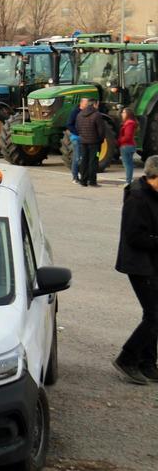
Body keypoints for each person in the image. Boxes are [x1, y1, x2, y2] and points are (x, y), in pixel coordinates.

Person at [114, 155, 158, 385]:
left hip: (151, 262)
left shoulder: (152, 193)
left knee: (154, 315)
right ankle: (127, 358)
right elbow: (134, 236)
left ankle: (148, 364)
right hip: (139, 264)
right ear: (152, 177)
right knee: (154, 316)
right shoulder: (138, 197)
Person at [75, 98, 109, 187]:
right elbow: (101, 130)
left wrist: (82, 136)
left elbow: (78, 128)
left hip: (83, 142)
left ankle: (83, 181)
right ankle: (92, 181)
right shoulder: (97, 115)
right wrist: (100, 140)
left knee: (84, 161)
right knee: (93, 162)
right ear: (95, 104)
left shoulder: (79, 114)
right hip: (94, 143)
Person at [67, 98, 87, 184]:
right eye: (86, 103)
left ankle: (83, 176)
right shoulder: (75, 112)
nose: (87, 105)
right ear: (81, 103)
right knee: (77, 158)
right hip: (76, 138)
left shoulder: (85, 112)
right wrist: (78, 133)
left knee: (81, 158)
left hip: (83, 139)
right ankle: (75, 177)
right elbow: (69, 124)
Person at [120, 107, 139, 185]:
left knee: (127, 165)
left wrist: (119, 141)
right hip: (129, 146)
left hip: (126, 146)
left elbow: (128, 136)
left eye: (124, 112)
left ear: (128, 114)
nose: (122, 114)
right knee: (129, 164)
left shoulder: (129, 123)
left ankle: (128, 181)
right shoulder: (130, 123)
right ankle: (129, 180)